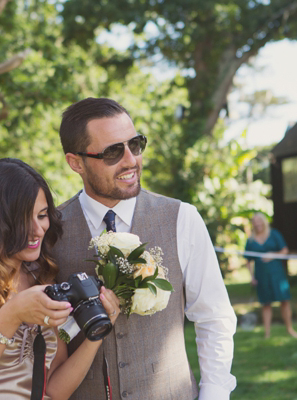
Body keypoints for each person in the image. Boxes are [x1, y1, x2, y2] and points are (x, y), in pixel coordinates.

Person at [51, 97, 237, 400]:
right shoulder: (49, 231)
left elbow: (214, 317)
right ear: (76, 163)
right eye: (113, 151)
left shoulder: (182, 218)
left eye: (135, 145)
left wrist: (214, 394)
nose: (130, 160)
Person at [0, 158, 121, 400]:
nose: (38, 230)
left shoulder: (40, 273)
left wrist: (97, 333)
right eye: (22, 220)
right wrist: (12, 315)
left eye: (41, 215)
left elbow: (53, 390)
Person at [244, 212, 297, 339]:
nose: (257, 224)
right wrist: (252, 277)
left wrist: (272, 255)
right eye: (254, 222)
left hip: (277, 274)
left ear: (264, 221)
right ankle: (267, 333)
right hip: (261, 275)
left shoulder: (274, 234)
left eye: (259, 221)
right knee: (266, 303)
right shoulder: (251, 240)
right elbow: (248, 260)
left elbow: (285, 250)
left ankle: (290, 329)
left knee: (284, 301)